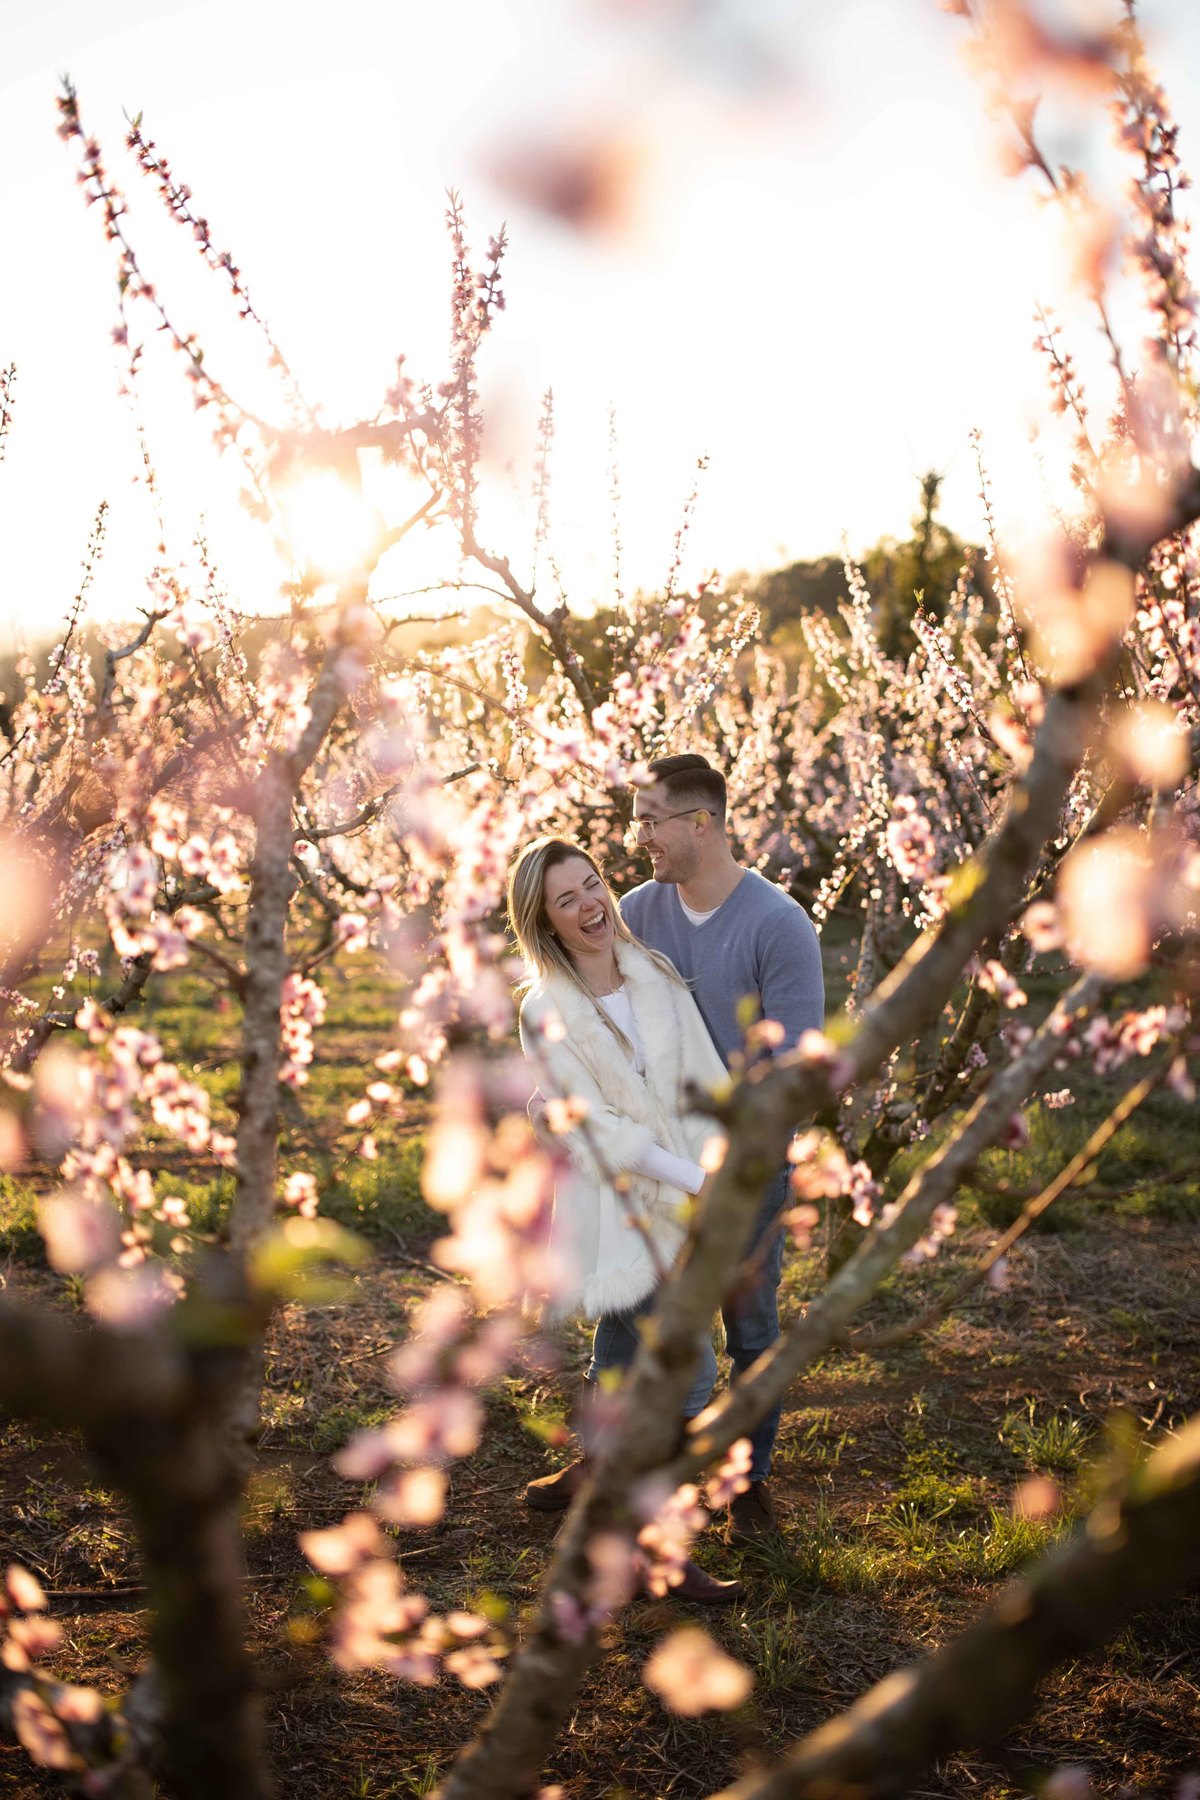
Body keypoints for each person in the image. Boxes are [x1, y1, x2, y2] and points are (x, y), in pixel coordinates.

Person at [507, 834, 742, 1603]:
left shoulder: (654, 973)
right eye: (565, 899)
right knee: (690, 1367)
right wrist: (686, 1178)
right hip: (627, 1204)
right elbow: (590, 1122)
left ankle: (601, 1483)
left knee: (627, 1340)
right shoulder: (546, 1009)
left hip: (694, 1190)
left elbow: (706, 1075)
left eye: (592, 883)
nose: (589, 905)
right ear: (544, 921)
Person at [621, 753, 825, 1548]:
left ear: (700, 823)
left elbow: (799, 1065)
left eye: (650, 819)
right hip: (655, 1157)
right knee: (635, 1311)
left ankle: (749, 1481)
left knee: (750, 1328)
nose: (638, 836)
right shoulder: (638, 911)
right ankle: (620, 1465)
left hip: (746, 1167)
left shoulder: (778, 924)